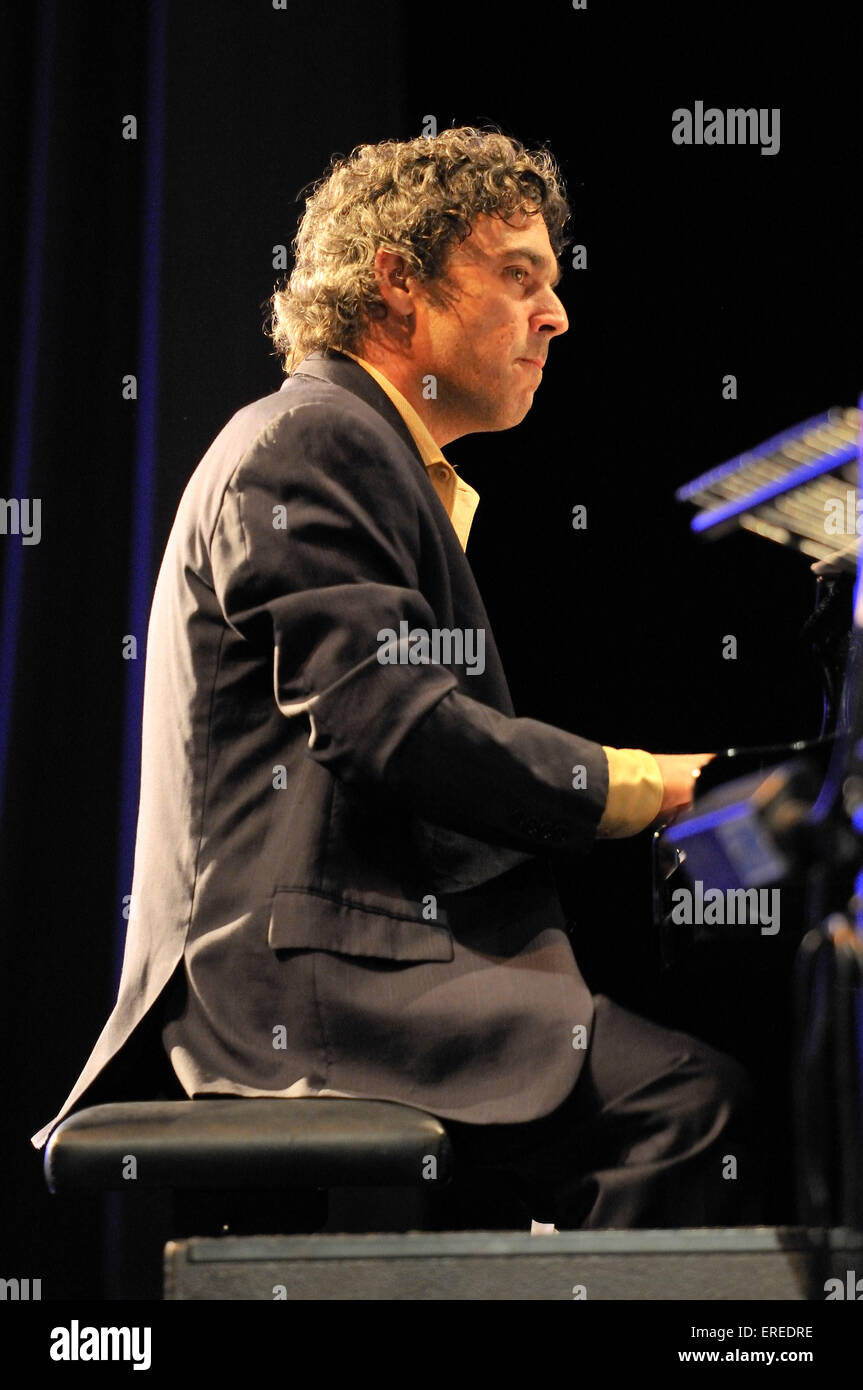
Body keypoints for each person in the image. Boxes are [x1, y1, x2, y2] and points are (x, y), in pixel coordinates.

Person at [31, 126, 762, 1230]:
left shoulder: (357, 453)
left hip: (364, 965)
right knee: (681, 1103)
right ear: (397, 284)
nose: (553, 315)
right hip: (307, 989)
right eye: (517, 277)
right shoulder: (314, 441)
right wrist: (642, 786)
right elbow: (394, 723)